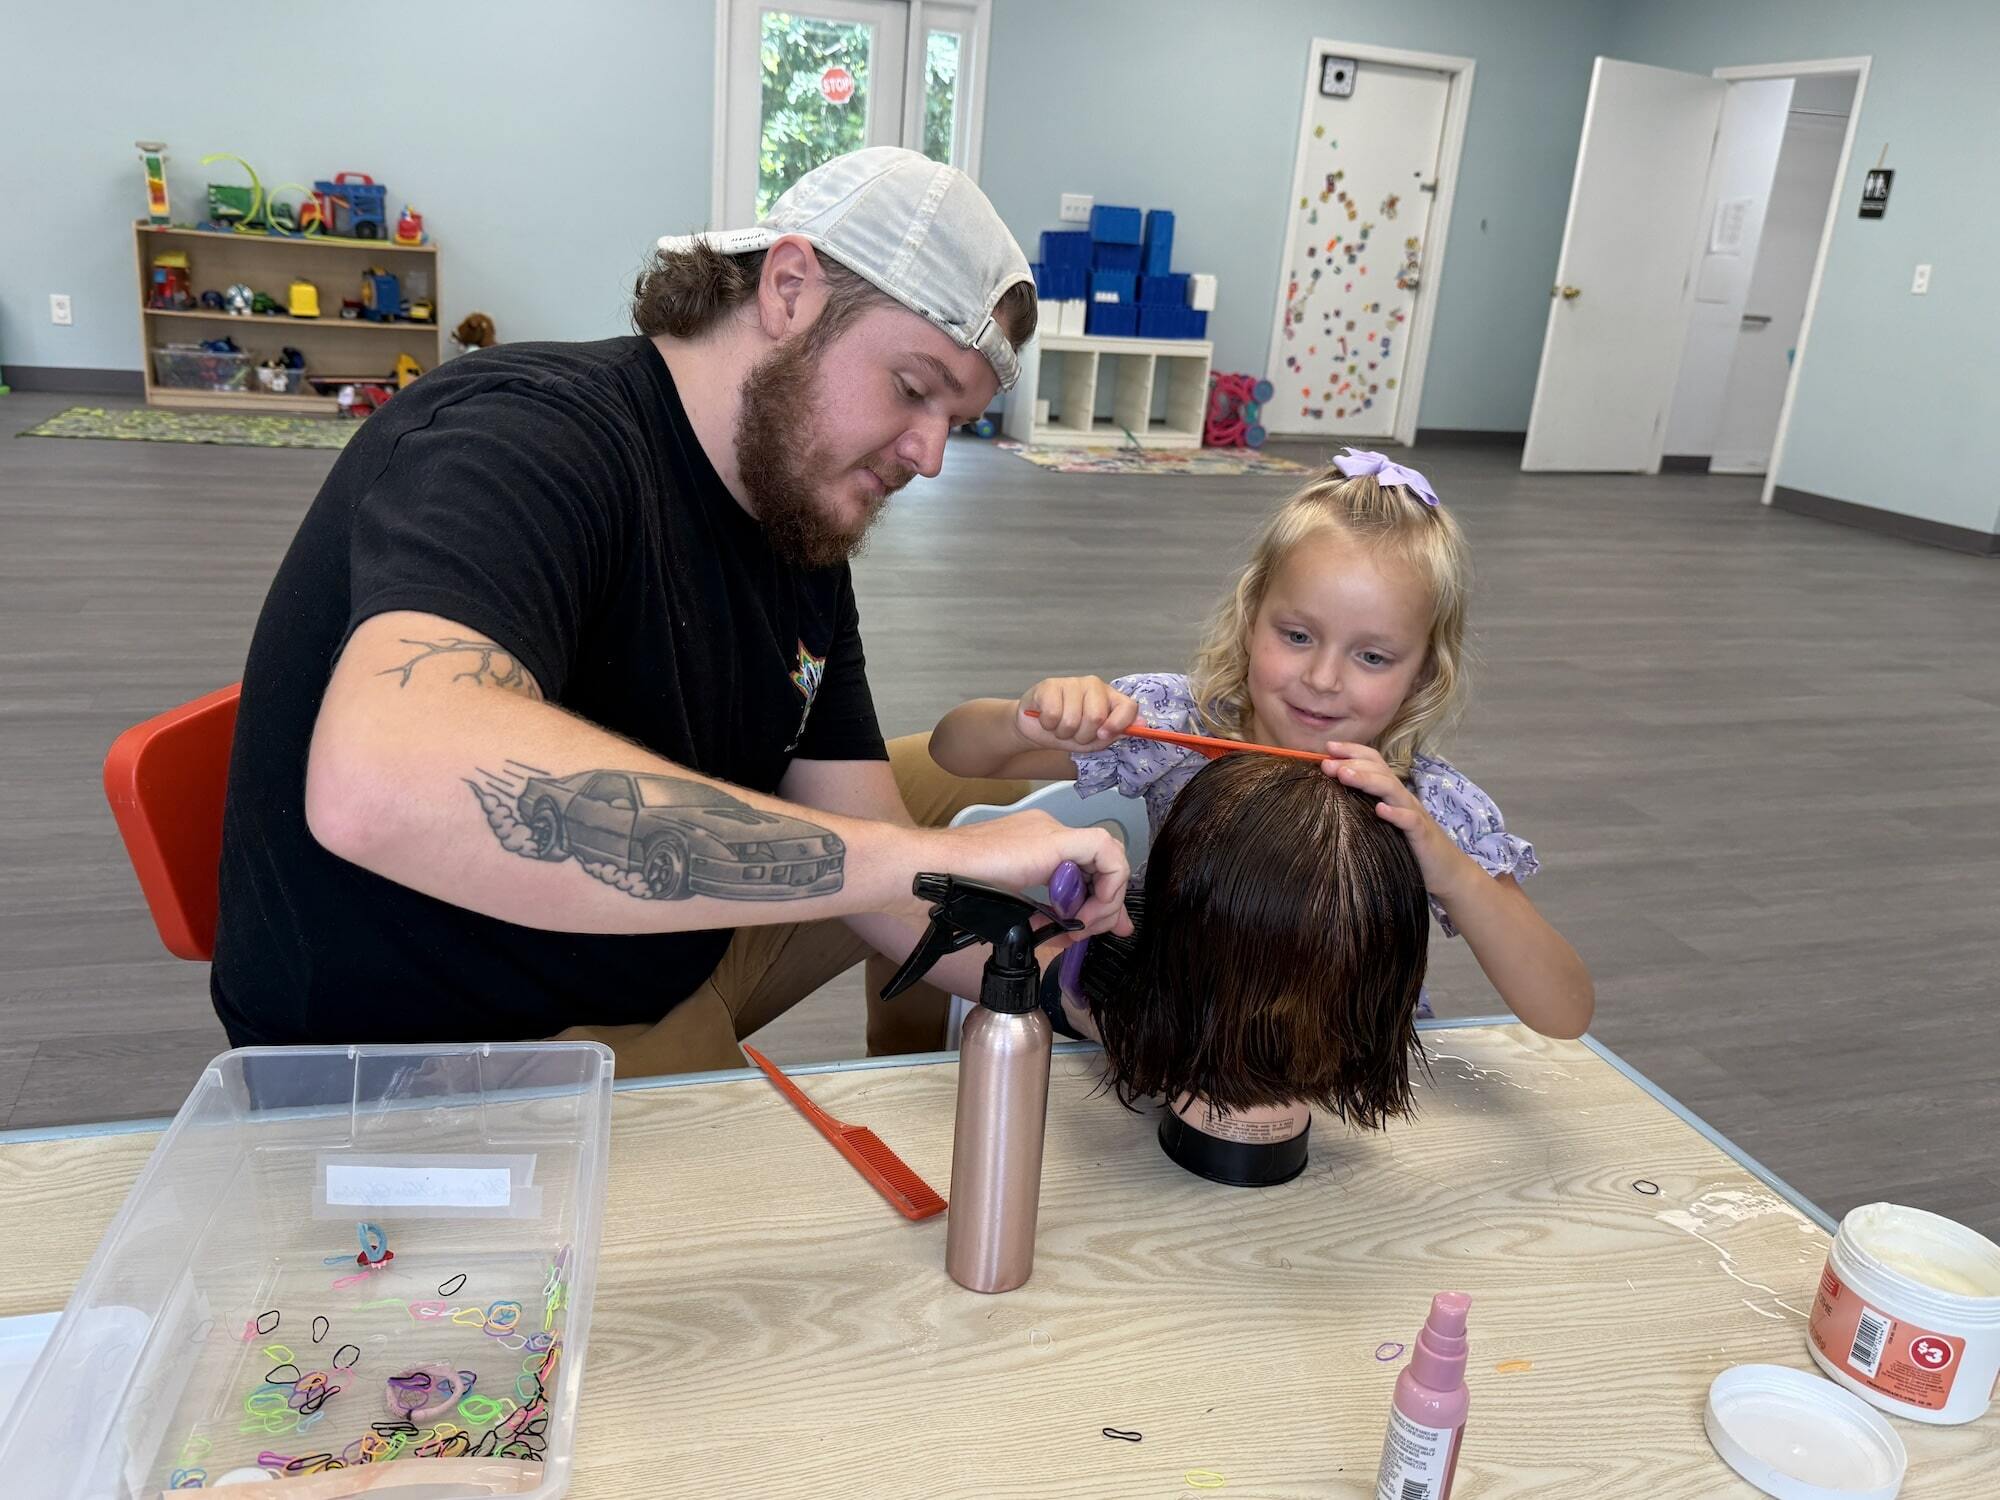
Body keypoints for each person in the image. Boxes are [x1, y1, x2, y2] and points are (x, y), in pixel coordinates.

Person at [211, 147, 1128, 1074]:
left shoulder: (796, 512)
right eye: (914, 389)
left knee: (970, 802)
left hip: (664, 953)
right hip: (445, 1047)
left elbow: (877, 858)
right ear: (789, 289)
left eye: (954, 421)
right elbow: (379, 784)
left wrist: (1117, 1005)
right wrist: (903, 864)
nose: (929, 456)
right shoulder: (522, 437)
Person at [929, 449, 1594, 1040]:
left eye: (1372, 656)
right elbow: (952, 751)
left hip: (1351, 1083)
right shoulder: (1178, 729)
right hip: (1168, 1045)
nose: (1323, 679)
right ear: (1251, 619)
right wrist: (1024, 719)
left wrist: (1447, 868)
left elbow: (1564, 1013)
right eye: (1297, 636)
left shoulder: (1431, 807)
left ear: (1422, 673)